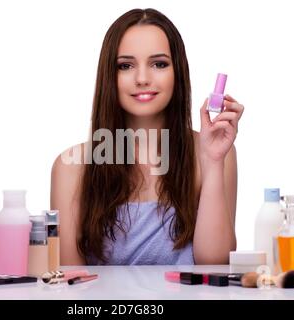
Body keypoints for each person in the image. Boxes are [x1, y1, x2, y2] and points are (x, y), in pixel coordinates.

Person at [51, 8, 244, 265]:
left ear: (178, 73)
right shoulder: (71, 167)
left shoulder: (217, 153)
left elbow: (215, 263)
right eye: (126, 66)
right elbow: (71, 285)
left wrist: (213, 160)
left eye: (159, 64)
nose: (142, 78)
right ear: (110, 75)